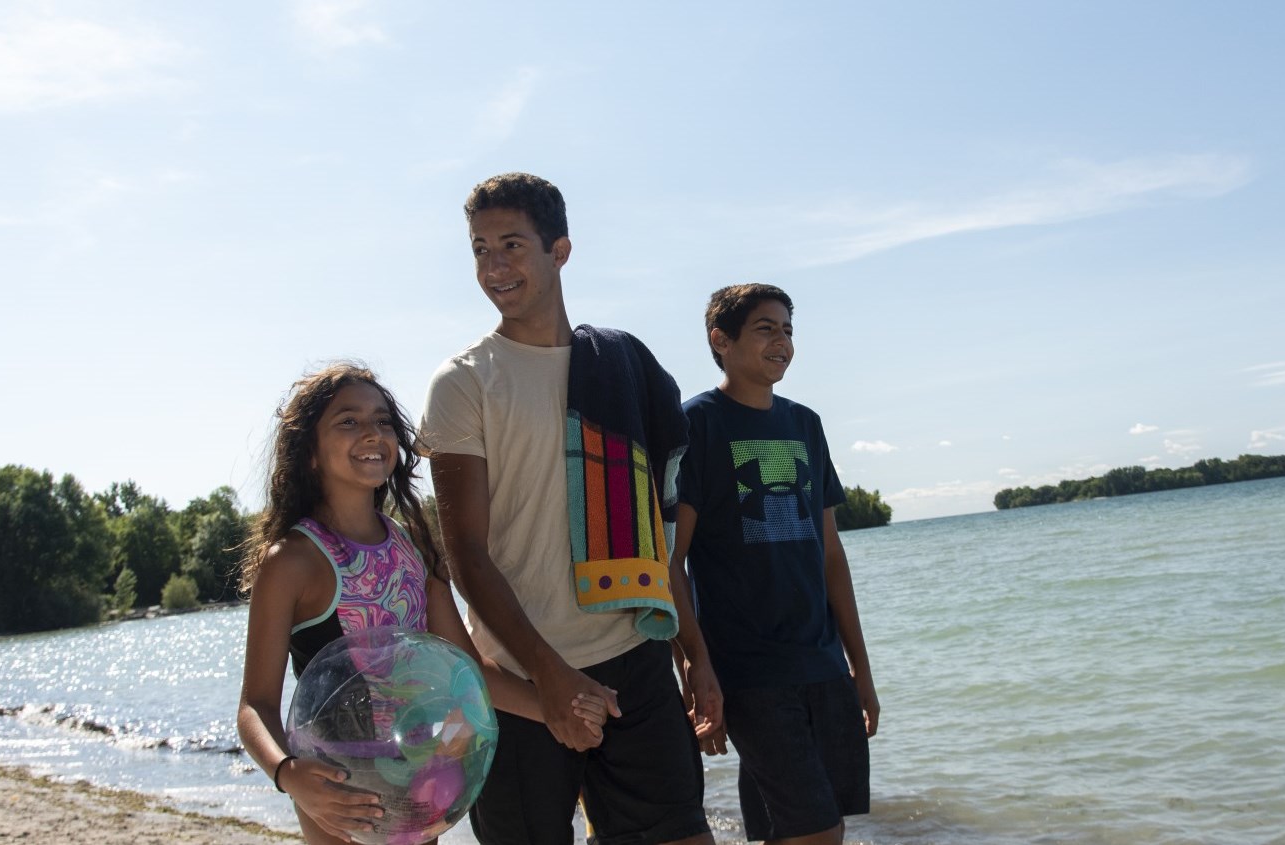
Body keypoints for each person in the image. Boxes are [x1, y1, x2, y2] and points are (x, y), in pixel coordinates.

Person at [418, 172, 715, 845]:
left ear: (561, 249)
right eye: (479, 249)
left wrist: (693, 653)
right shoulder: (464, 382)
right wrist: (550, 678)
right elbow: (466, 552)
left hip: (634, 657)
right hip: (519, 678)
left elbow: (654, 530)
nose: (494, 266)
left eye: (512, 245)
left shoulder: (623, 365)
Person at [236, 362, 610, 845]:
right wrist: (287, 773)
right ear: (308, 451)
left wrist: (561, 708)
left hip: (420, 774)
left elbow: (468, 670)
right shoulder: (292, 561)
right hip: (338, 782)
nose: (371, 432)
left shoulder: (413, 543)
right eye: (347, 421)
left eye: (383, 420)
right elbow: (255, 704)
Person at [669, 284, 879, 845]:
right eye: (765, 328)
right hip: (750, 670)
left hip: (822, 662)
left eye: (787, 329)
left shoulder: (805, 424)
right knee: (819, 831)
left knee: (791, 828)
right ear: (722, 339)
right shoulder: (695, 426)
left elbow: (831, 555)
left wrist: (859, 667)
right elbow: (671, 562)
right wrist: (695, 663)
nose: (782, 341)